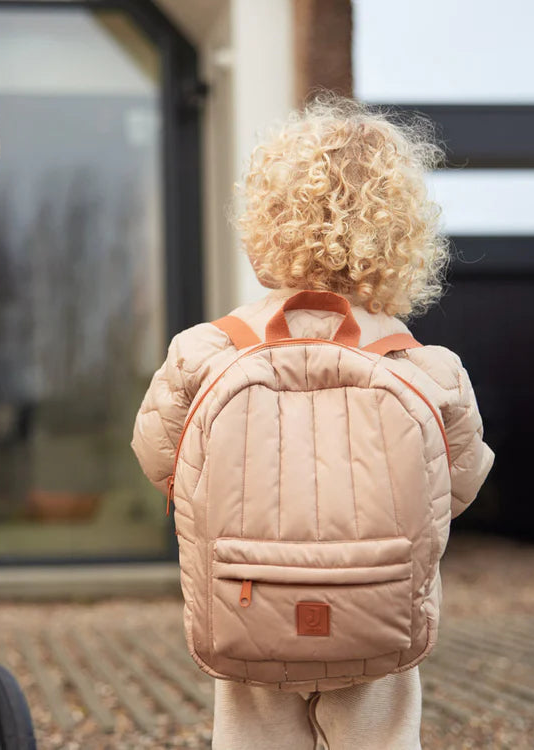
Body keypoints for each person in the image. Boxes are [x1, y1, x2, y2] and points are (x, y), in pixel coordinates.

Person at [131, 96, 494, 749]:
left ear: (263, 220)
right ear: (402, 236)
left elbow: (158, 461)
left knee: (253, 735)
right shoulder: (425, 368)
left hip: (248, 596)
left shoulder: (205, 350)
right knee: (379, 735)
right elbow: (456, 488)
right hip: (375, 601)